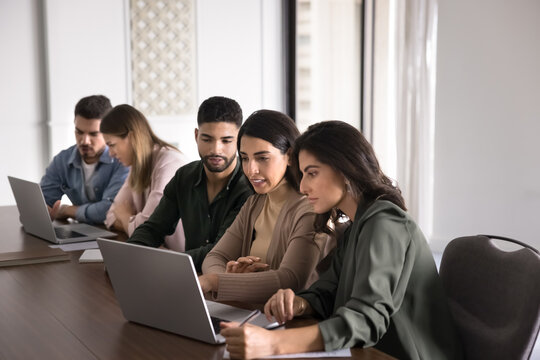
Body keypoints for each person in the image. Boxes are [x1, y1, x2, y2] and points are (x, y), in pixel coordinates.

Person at [219, 121, 463, 360]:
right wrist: (299, 303)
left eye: (312, 173)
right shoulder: (356, 226)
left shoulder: (385, 223)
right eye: (302, 174)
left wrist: (273, 344)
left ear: (346, 169)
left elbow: (367, 320)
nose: (303, 186)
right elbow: (327, 292)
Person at [199, 110, 328, 304]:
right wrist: (227, 278)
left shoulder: (309, 209)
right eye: (244, 158)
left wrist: (217, 281)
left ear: (290, 156)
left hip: (291, 325)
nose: (251, 170)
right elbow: (215, 256)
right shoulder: (255, 204)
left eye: (262, 158)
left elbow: (291, 279)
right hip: (250, 314)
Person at [127, 96, 253, 271]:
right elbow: (154, 228)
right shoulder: (184, 176)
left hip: (226, 284)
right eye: (207, 139)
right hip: (185, 278)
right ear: (196, 136)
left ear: (239, 140)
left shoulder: (249, 187)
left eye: (226, 140)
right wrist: (128, 254)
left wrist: (165, 262)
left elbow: (220, 250)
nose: (216, 149)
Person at [101, 104, 188, 250]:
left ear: (132, 137)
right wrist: (131, 221)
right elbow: (110, 215)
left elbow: (147, 232)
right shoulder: (137, 165)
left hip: (181, 260)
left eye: (112, 145)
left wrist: (124, 217)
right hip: (157, 254)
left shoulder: (169, 163)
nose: (110, 153)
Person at [40, 95, 129, 224]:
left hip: (115, 234)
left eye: (93, 134)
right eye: (79, 132)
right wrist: (41, 212)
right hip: (82, 232)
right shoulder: (63, 160)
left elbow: (110, 209)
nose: (84, 141)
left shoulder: (122, 161)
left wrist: (67, 210)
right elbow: (43, 202)